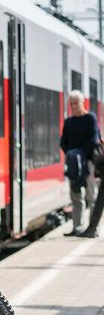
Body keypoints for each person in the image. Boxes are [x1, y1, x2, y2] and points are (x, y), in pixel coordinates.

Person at [60, 90, 99, 235]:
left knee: (91, 196)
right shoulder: (69, 122)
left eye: (76, 103)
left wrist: (80, 154)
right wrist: (72, 155)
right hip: (74, 165)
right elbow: (63, 142)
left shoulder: (90, 118)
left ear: (82, 103)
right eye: (71, 104)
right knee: (75, 196)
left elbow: (93, 139)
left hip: (88, 162)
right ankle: (77, 227)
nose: (74, 106)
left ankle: (93, 228)